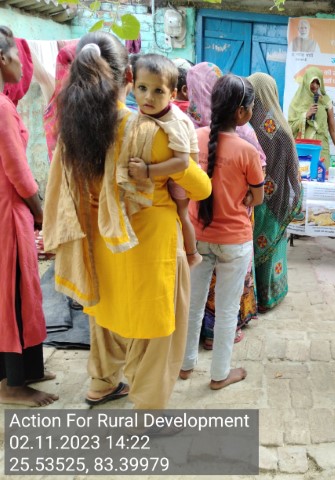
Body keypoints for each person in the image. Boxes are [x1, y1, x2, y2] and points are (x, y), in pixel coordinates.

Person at [42, 32, 211, 409]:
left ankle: (102, 383)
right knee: (156, 334)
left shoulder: (73, 129)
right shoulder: (148, 132)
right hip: (149, 248)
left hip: (101, 245)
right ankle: (148, 411)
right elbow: (201, 188)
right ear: (129, 79)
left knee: (106, 315)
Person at [179, 74, 264, 390]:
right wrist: (245, 198)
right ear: (241, 112)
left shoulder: (193, 138)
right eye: (251, 107)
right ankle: (219, 375)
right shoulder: (247, 151)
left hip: (197, 237)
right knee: (227, 311)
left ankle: (185, 365)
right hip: (234, 242)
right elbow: (257, 197)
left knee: (192, 305)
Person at [0, 25, 58, 407]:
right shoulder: (1, 108)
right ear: (2, 58)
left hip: (12, 210)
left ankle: (30, 369)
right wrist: (41, 212)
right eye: (18, 57)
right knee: (16, 294)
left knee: (24, 291)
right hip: (9, 212)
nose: (24, 65)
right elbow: (18, 170)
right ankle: (13, 384)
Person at [127, 53, 202, 268]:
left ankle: (192, 254)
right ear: (133, 86)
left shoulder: (174, 121)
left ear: (173, 94)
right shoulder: (144, 112)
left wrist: (147, 171)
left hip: (181, 177)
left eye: (158, 91)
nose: (148, 97)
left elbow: (182, 163)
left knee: (181, 213)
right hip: (163, 172)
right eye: (142, 88)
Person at [248, 72, 301, 312]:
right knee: (272, 247)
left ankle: (251, 297)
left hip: (251, 198)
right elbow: (293, 171)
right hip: (276, 200)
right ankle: (270, 294)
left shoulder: (244, 126)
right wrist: (293, 197)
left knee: (251, 247)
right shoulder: (282, 129)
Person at [288, 66, 335, 168]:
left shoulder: (325, 100)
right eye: (312, 82)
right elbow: (289, 128)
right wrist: (305, 116)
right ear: (306, 81)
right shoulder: (297, 102)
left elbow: (333, 129)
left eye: (317, 82)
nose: (315, 85)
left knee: (322, 175)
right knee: (303, 174)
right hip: (304, 148)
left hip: (322, 148)